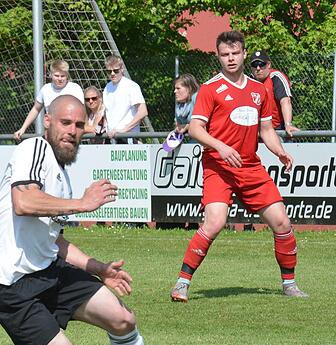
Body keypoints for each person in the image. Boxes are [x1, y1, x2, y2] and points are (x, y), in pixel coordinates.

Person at [0, 95, 199, 345]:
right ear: (48, 122)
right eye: (65, 122)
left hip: (49, 272)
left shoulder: (59, 173)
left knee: (122, 318)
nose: (72, 131)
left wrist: (97, 268)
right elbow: (23, 201)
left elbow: (52, 240)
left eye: (80, 125)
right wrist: (82, 203)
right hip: (13, 286)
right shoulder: (34, 149)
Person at [169, 31, 308, 302]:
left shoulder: (259, 90)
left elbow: (266, 130)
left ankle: (289, 284)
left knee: (281, 221)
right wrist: (220, 146)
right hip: (218, 166)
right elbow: (196, 129)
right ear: (218, 57)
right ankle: (182, 283)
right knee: (215, 222)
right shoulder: (210, 88)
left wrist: (280, 151)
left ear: (244, 54)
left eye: (235, 53)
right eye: (225, 54)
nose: (230, 59)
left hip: (250, 167)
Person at [14, 60, 84, 140]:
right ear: (51, 75)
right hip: (52, 133)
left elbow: (82, 112)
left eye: (63, 76)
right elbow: (36, 109)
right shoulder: (45, 89)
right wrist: (23, 128)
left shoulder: (75, 88)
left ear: (67, 75)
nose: (60, 79)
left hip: (70, 132)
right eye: (57, 76)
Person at [249, 50, 299, 138]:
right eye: (254, 65)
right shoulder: (248, 81)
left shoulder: (276, 77)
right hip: (257, 131)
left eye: (261, 64)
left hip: (278, 130)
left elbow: (285, 101)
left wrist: (288, 124)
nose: (258, 68)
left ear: (269, 65)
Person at [102, 55, 148, 143]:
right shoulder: (107, 88)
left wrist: (124, 130)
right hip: (111, 138)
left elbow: (143, 112)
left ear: (122, 69)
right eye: (109, 71)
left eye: (115, 70)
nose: (112, 74)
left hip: (128, 137)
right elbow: (107, 112)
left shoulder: (131, 86)